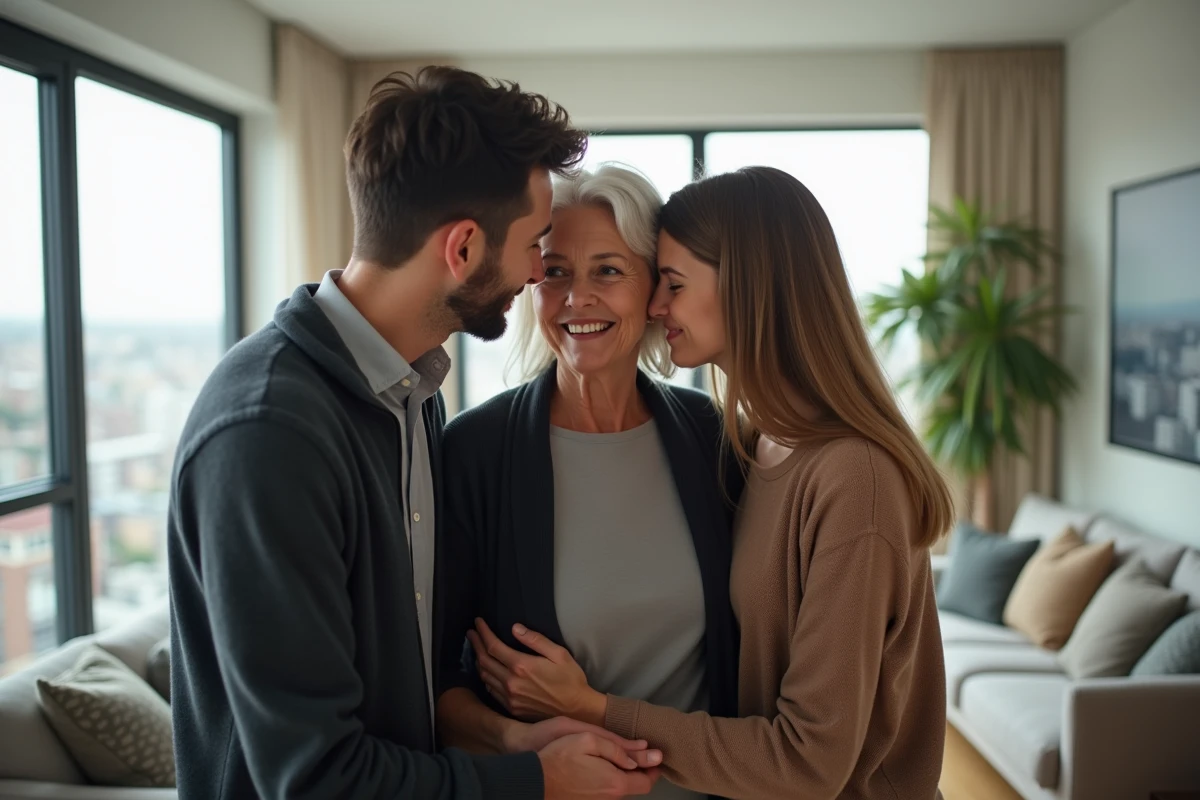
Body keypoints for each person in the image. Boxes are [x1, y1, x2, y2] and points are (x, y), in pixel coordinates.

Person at [166, 67, 661, 800]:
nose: (537, 276)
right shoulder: (270, 435)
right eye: (534, 247)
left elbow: (403, 690)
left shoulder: (409, 392)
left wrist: (512, 738)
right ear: (462, 249)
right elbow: (315, 779)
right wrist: (534, 780)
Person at [469, 166, 953, 799]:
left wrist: (593, 707)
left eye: (671, 283)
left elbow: (809, 761)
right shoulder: (755, 447)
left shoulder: (848, 476)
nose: (658, 305)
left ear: (748, 289)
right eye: (555, 271)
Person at [435, 164, 742, 800]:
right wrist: (513, 739)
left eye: (608, 269)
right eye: (554, 272)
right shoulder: (475, 451)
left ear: (655, 291)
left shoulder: (711, 436)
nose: (577, 297)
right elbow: (433, 682)